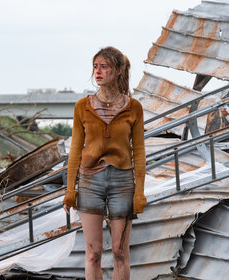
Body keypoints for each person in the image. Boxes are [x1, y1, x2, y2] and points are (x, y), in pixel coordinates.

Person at [63, 46, 146, 280]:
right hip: (90, 181)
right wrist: (70, 189)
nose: (98, 71)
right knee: (93, 253)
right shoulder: (83, 106)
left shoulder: (133, 107)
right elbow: (75, 150)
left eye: (104, 66)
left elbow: (139, 152)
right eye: (95, 66)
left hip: (122, 181)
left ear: (118, 70)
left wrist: (139, 192)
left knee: (120, 252)